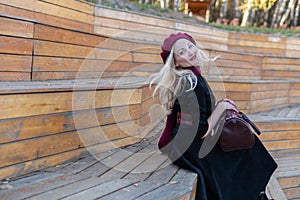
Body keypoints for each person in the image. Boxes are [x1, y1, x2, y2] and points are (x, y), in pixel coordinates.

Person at [150, 32, 277, 200]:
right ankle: (253, 195)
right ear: (175, 62)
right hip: (191, 148)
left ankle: (255, 194)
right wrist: (222, 107)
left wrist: (218, 106)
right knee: (245, 150)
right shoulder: (191, 84)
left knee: (246, 147)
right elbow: (200, 129)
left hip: (184, 144)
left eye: (190, 46)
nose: (190, 52)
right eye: (182, 52)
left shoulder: (189, 77)